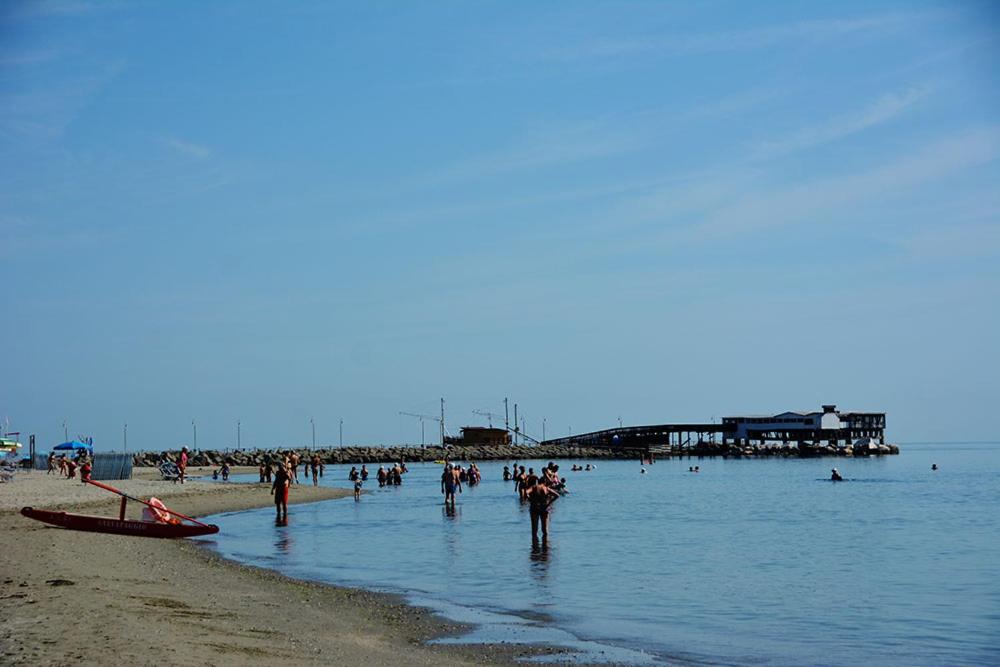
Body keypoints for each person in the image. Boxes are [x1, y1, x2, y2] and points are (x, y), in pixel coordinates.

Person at [526, 476, 560, 544]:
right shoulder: (546, 488)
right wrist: (549, 503)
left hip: (535, 508)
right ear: (545, 482)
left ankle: (535, 547)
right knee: (545, 530)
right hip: (544, 508)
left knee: (534, 530)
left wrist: (530, 499)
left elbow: (526, 492)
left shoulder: (534, 487)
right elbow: (557, 495)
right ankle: (545, 547)